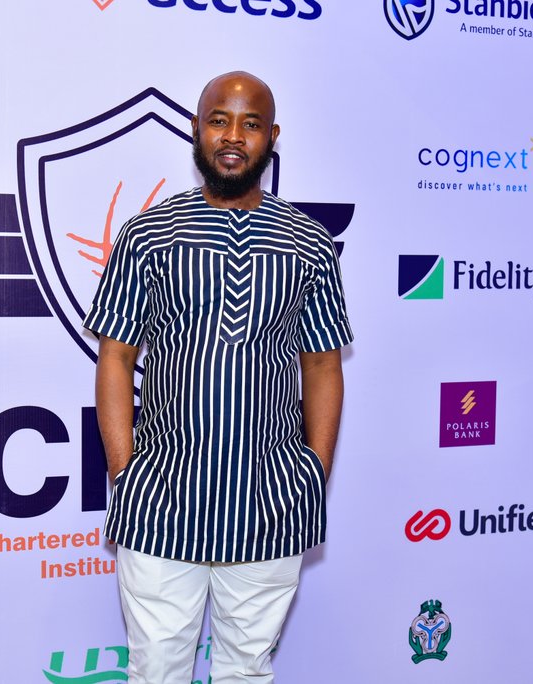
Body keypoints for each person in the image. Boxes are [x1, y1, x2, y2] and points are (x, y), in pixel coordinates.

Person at [83, 71, 353, 683]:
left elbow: (322, 363)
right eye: (219, 121)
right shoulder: (147, 235)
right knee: (157, 670)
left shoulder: (309, 243)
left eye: (251, 124)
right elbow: (116, 358)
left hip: (271, 502)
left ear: (272, 138)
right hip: (161, 500)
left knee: (245, 671)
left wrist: (313, 473)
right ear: (196, 129)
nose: (233, 136)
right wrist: (125, 473)